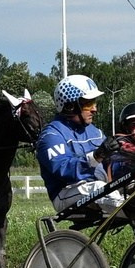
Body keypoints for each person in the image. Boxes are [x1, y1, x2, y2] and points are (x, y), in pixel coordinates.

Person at [37, 74, 123, 218]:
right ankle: (134, 212)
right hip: (66, 193)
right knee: (99, 188)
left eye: (94, 102)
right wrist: (97, 156)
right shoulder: (51, 135)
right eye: (89, 104)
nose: (94, 109)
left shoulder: (94, 131)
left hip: (98, 189)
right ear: (70, 106)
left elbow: (114, 165)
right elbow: (64, 168)